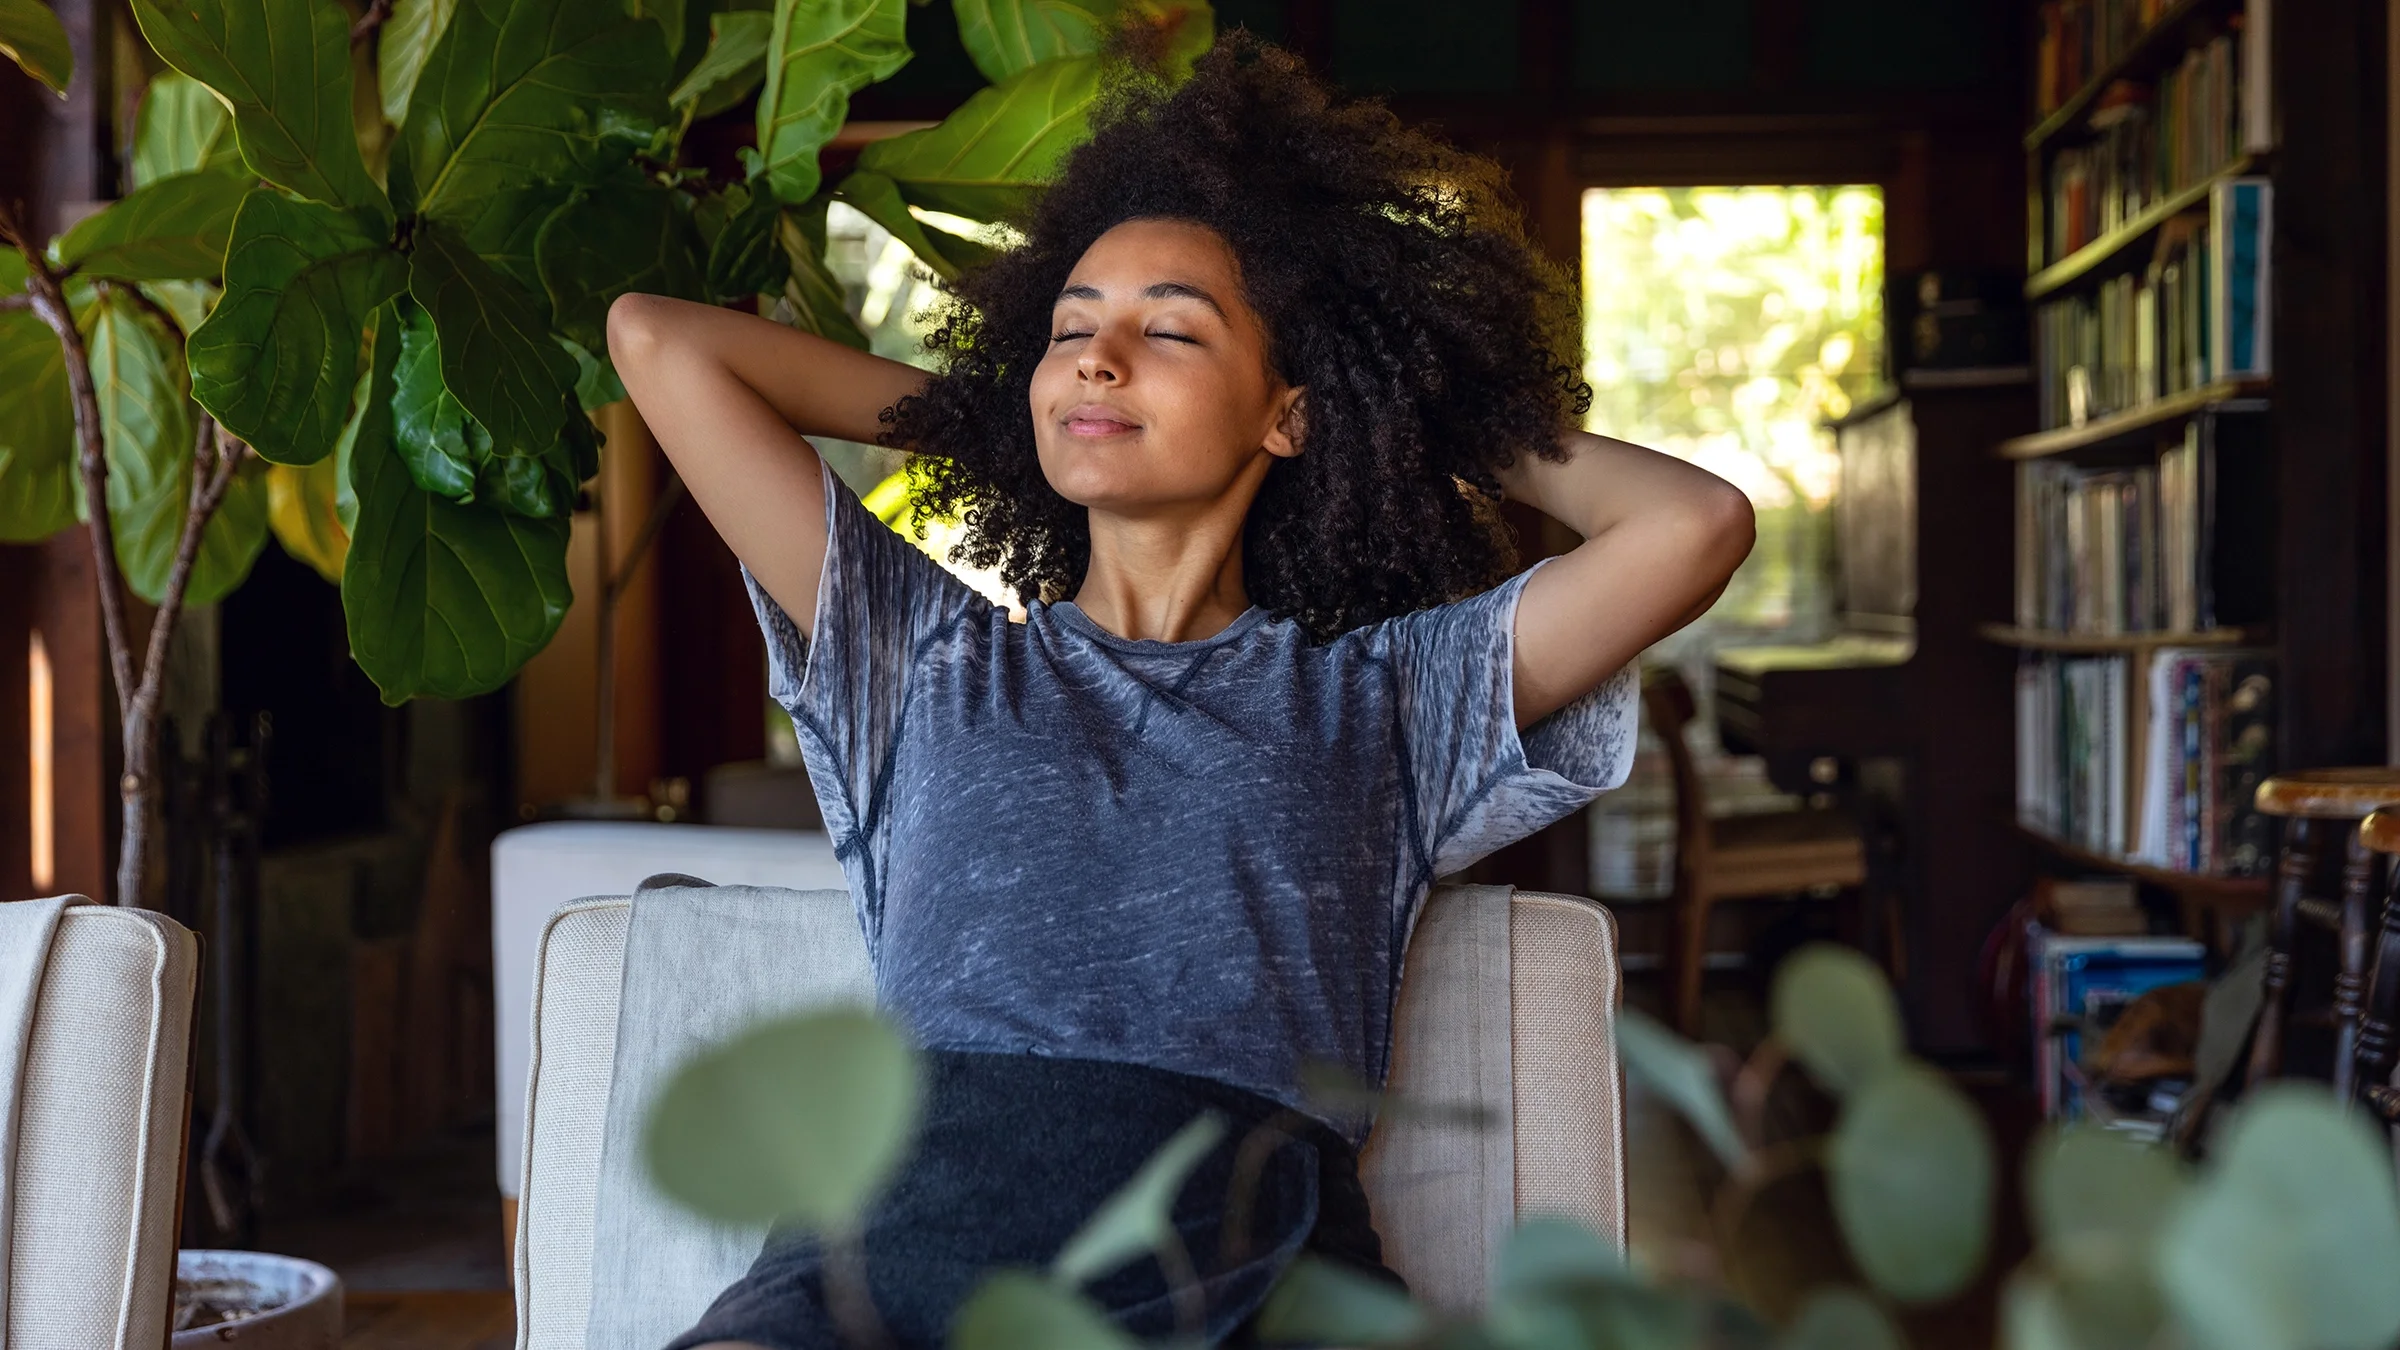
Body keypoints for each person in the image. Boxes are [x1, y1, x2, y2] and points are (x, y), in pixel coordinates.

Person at [607, 33, 1753, 1350]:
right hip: (885, 1254)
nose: (1098, 357)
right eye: (1068, 331)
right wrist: (1003, 421)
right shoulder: (921, 656)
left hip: (1238, 1272)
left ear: (1287, 411)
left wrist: (1400, 413)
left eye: (1168, 330)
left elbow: (1695, 525)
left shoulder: (1388, 702)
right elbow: (658, 341)